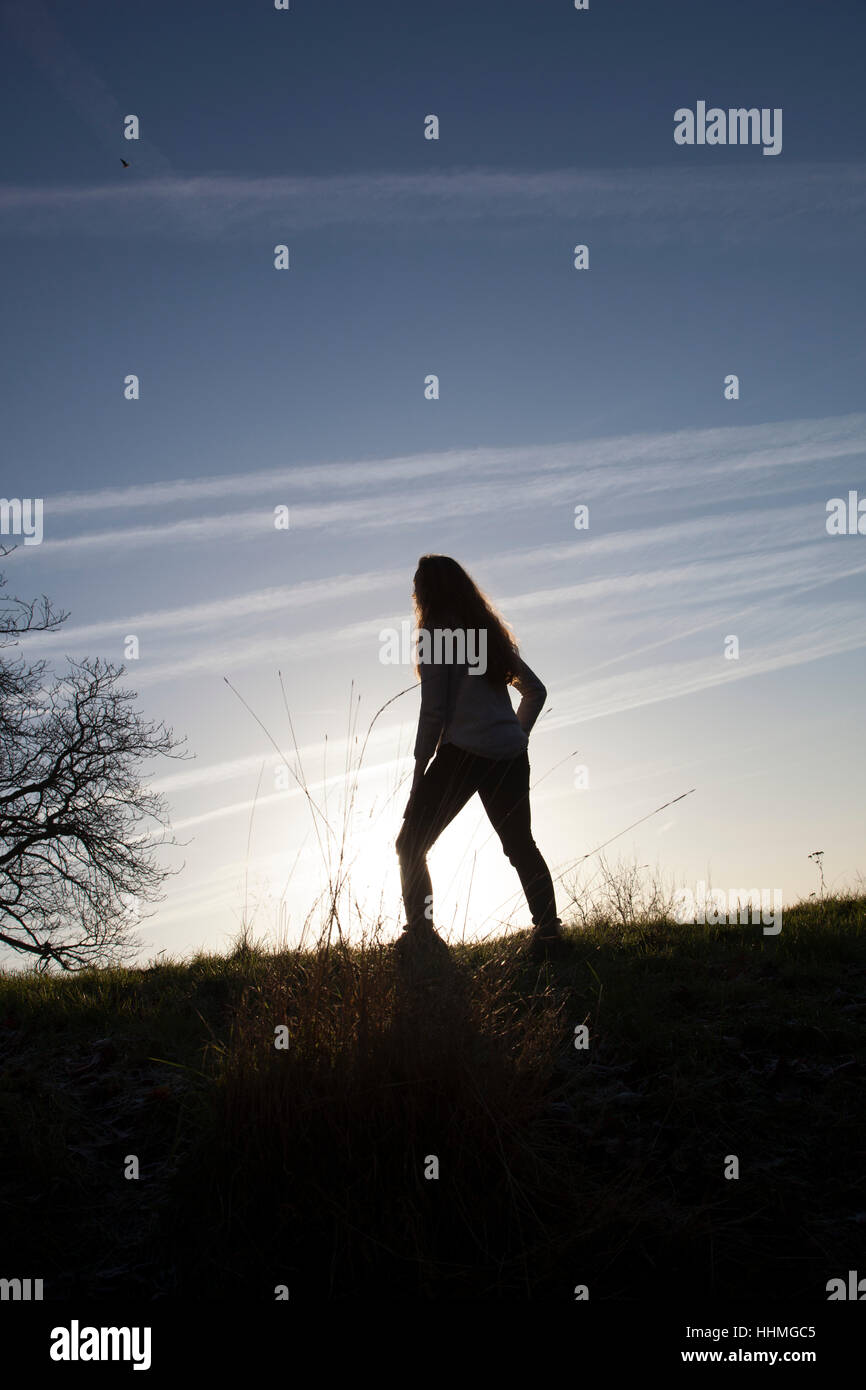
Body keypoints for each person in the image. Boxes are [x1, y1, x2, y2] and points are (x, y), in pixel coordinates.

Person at [395, 554, 563, 953]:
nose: (413, 591)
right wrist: (514, 736)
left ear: (430, 589)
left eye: (417, 583)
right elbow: (535, 691)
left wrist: (419, 772)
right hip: (508, 754)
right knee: (521, 845)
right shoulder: (486, 632)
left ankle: (422, 936)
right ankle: (549, 931)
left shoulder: (435, 632)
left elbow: (433, 710)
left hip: (463, 754)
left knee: (410, 843)